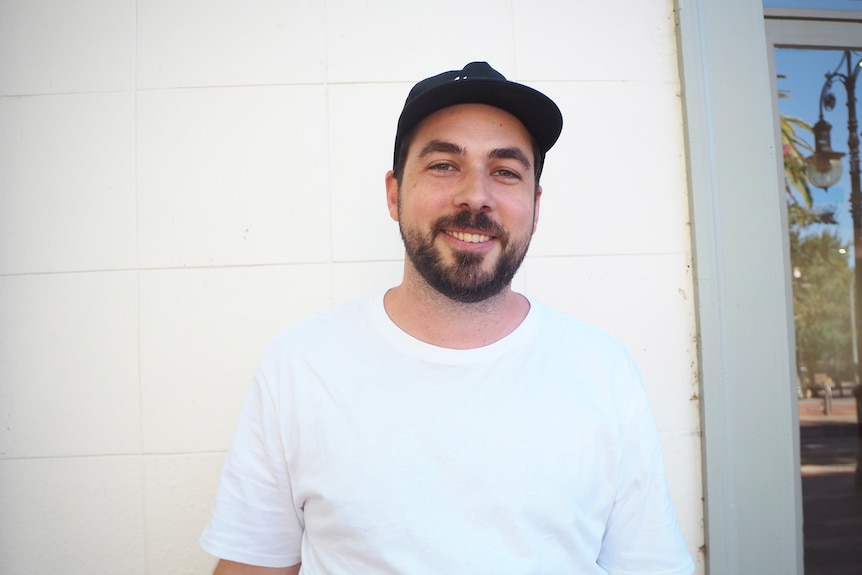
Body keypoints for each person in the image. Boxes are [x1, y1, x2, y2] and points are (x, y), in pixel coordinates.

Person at [200, 61, 694, 575]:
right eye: (443, 165)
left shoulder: (602, 370)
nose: (475, 196)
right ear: (394, 194)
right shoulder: (300, 367)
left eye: (505, 172)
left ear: (535, 205)